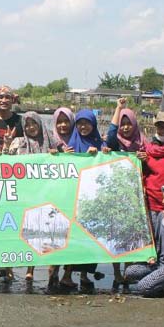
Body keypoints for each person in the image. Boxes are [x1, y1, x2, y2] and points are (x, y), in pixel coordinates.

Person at [62, 109, 105, 290]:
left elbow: (107, 159)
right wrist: (64, 155)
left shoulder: (99, 142)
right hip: (73, 197)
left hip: (92, 198)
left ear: (93, 124)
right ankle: (67, 274)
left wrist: (101, 153)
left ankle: (85, 274)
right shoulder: (71, 143)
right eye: (79, 123)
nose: (83, 126)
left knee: (90, 237)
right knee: (73, 237)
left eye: (87, 123)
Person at [104, 98, 145, 286]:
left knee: (131, 235)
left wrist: (144, 158)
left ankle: (129, 271)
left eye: (129, 124)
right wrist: (118, 108)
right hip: (116, 195)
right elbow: (111, 132)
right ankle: (117, 273)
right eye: (123, 124)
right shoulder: (114, 144)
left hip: (135, 196)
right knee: (115, 235)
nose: (126, 128)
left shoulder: (142, 144)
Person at [7, 111, 52, 282]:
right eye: (27, 124)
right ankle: (9, 268)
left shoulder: (50, 142)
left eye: (34, 123)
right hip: (20, 196)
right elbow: (5, 161)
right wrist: (5, 146)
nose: (31, 127)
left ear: (40, 124)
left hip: (42, 196)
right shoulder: (18, 142)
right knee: (15, 233)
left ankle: (30, 270)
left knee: (36, 233)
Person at [47, 106, 75, 288]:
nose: (63, 125)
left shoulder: (78, 140)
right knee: (54, 235)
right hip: (54, 196)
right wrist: (51, 156)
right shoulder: (50, 140)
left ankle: (68, 274)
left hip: (73, 196)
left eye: (66, 121)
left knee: (73, 236)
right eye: (59, 122)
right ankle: (52, 273)